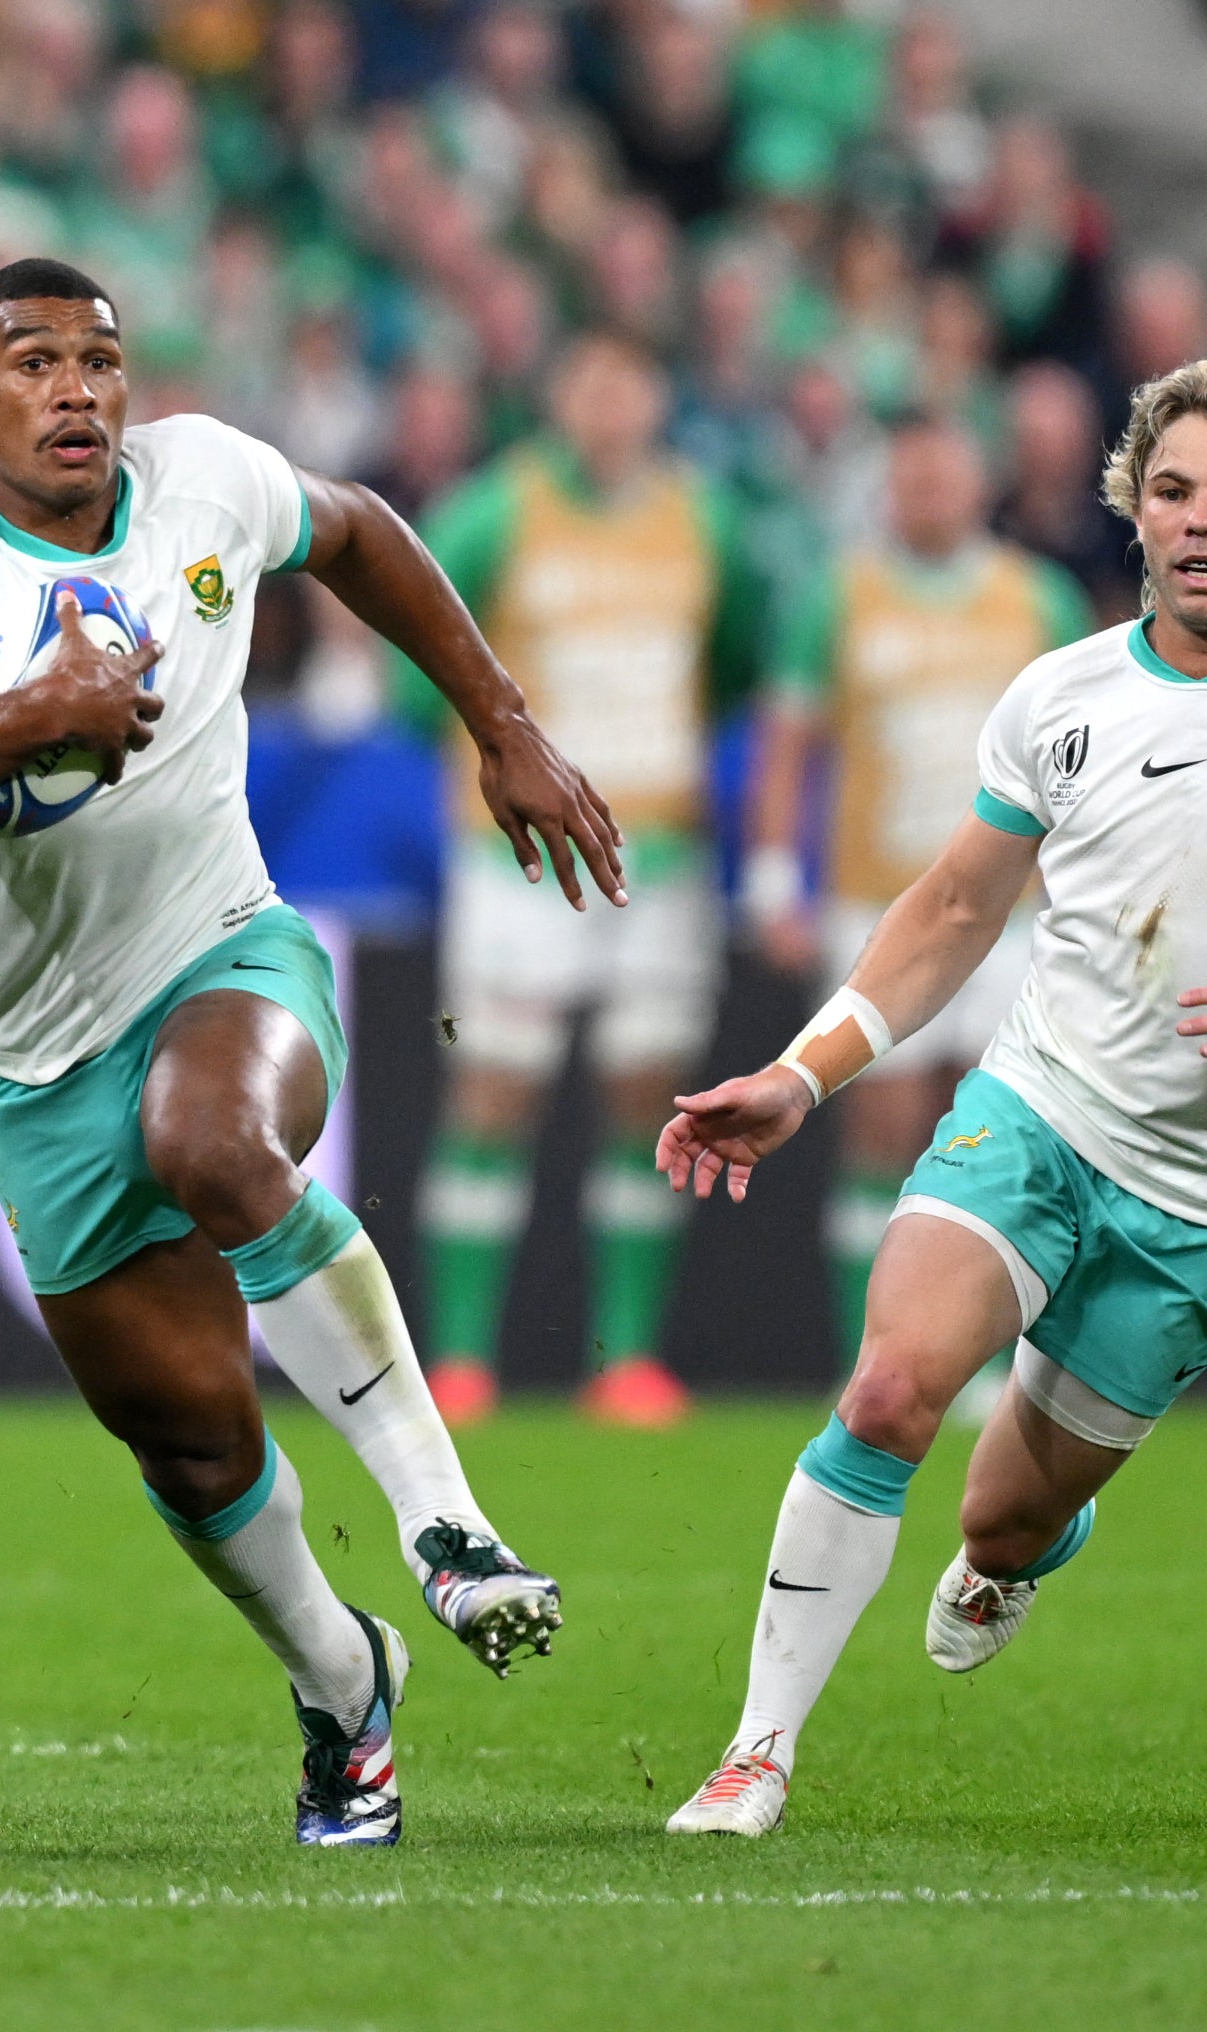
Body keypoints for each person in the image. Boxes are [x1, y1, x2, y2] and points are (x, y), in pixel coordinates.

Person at [0, 259, 624, 1847]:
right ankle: (342, 1682)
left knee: (216, 1141)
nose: (76, 390)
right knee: (188, 1440)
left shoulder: (210, 482)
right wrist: (31, 713)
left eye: (100, 360)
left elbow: (364, 532)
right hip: (37, 1064)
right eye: (31, 363)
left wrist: (501, 723)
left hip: (227, 949)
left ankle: (444, 1520)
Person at [657, 360, 1207, 1836]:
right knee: (886, 1390)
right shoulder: (1058, 694)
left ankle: (1012, 1555)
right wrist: (806, 1074)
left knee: (1004, 1512)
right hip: (1042, 1108)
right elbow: (949, 910)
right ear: (1132, 504)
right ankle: (755, 1752)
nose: (1202, 522)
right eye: (1176, 489)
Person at [402, 331, 765, 1431]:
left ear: (657, 397)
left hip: (658, 853)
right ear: (559, 396)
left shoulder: (706, 519)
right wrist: (488, 771)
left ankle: (628, 1361)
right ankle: (461, 1360)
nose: (611, 405)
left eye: (630, 383)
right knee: (494, 1090)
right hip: (516, 856)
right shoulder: (493, 511)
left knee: (643, 1097)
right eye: (590, 383)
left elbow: (739, 656)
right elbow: (414, 654)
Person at [745, 416, 1090, 1402]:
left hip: (1016, 911)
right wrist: (776, 875)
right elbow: (790, 740)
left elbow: (1093, 756)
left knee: (997, 1130)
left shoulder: (1038, 599)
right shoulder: (839, 597)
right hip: (880, 901)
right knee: (884, 1128)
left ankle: (981, 1366)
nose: (928, 493)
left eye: (944, 474)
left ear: (979, 483)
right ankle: (876, 1357)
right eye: (912, 478)